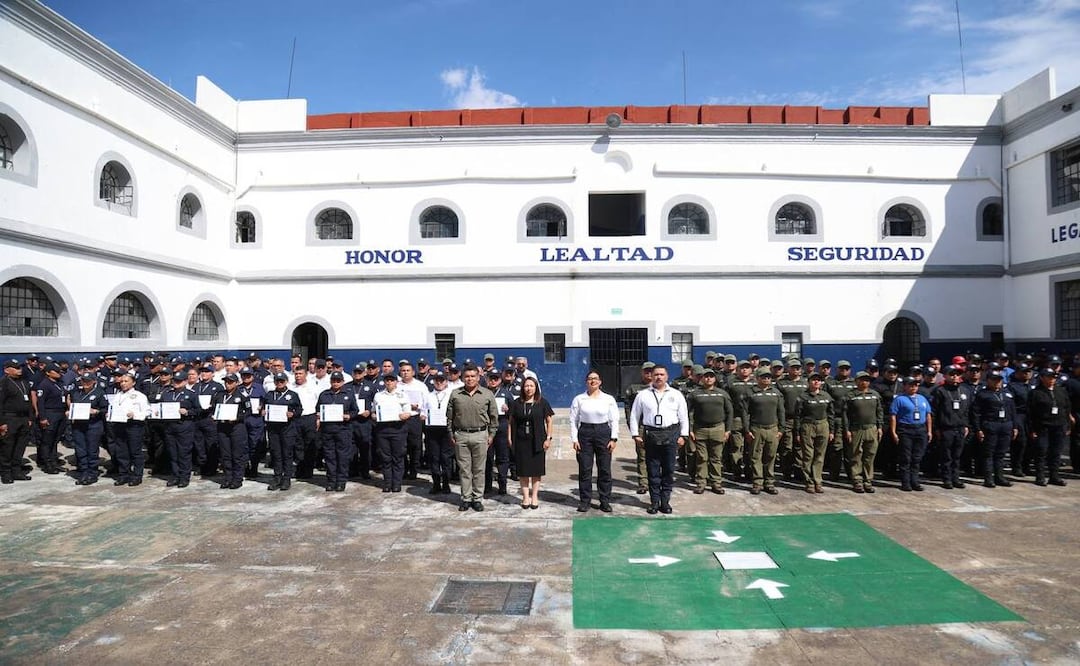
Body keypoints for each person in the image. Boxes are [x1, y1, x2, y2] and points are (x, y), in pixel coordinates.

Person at [629, 365, 689, 514]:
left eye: (662, 374)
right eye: (656, 374)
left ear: (666, 376)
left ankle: (665, 501)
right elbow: (634, 415)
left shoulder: (676, 394)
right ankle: (654, 502)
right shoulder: (643, 395)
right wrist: (636, 434)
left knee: (668, 470)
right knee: (653, 470)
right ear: (651, 376)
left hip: (671, 434)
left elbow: (683, 417)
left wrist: (684, 435)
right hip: (651, 435)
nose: (659, 377)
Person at [446, 366, 499, 512]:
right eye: (467, 376)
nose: (470, 379)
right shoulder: (455, 394)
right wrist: (451, 433)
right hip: (461, 435)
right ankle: (466, 498)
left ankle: (477, 499)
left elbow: (494, 417)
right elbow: (449, 417)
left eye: (473, 376)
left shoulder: (487, 394)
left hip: (480, 435)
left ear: (478, 377)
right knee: (464, 469)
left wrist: (491, 435)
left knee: (479, 469)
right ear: (463, 378)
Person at [567, 371, 616, 512]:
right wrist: (574, 439)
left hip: (603, 433)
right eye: (590, 379)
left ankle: (605, 501)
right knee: (585, 469)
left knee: (605, 469)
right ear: (586, 382)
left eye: (595, 379)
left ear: (600, 382)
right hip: (585, 434)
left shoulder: (608, 399)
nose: (592, 381)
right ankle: (585, 501)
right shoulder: (579, 399)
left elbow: (614, 420)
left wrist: (613, 438)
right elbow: (573, 420)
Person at [686, 367, 734, 495]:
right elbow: (688, 413)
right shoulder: (695, 394)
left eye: (711, 376)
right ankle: (701, 483)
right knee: (701, 457)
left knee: (716, 458)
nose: (708, 378)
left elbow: (730, 412)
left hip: (718, 428)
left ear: (715, 378)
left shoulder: (722, 393)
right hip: (700, 429)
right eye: (706, 376)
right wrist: (689, 429)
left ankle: (716, 483)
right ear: (702, 378)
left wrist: (728, 430)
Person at [512, 376, 557, 510]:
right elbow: (511, 422)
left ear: (536, 387)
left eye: (531, 386)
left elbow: (549, 421)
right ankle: (525, 497)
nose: (529, 388)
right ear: (522, 388)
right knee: (523, 471)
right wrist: (510, 438)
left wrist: (548, 438)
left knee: (536, 471)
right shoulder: (516, 403)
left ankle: (535, 496)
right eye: (526, 386)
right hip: (521, 441)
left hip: (537, 440)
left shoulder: (542, 402)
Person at [739, 367, 785, 495]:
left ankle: (769, 483)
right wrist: (747, 430)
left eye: (768, 377)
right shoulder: (750, 392)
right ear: (757, 378)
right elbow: (744, 413)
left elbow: (781, 411)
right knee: (755, 457)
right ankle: (757, 483)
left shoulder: (776, 392)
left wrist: (781, 429)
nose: (766, 379)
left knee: (770, 456)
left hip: (772, 429)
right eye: (763, 377)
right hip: (756, 428)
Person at [1027, 367, 1073, 486]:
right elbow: (1030, 412)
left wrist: (1067, 424)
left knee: (1056, 452)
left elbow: (1067, 408)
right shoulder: (1036, 393)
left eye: (1053, 377)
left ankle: (1054, 476)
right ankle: (1040, 476)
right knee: (1042, 451)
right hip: (1043, 427)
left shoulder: (1061, 391)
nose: (1052, 379)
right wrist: (1032, 429)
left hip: (1059, 426)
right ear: (1042, 378)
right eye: (1049, 377)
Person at [972, 371, 1017, 488]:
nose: (997, 382)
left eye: (999, 380)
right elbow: (976, 413)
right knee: (989, 453)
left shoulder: (1007, 393)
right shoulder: (983, 394)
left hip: (1005, 425)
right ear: (988, 380)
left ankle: (999, 477)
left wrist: (1015, 426)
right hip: (990, 425)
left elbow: (1013, 411)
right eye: (994, 379)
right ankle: (988, 478)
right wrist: (978, 429)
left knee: (1001, 453)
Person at [931, 365, 973, 489]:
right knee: (946, 456)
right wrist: (936, 428)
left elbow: (967, 411)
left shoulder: (965, 390)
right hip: (946, 428)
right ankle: (947, 479)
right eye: (952, 374)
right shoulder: (940, 391)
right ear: (945, 376)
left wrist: (966, 425)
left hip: (960, 428)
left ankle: (956, 478)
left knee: (957, 455)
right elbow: (935, 412)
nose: (955, 376)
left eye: (958, 374)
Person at [315, 370, 358, 492]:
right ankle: (331, 480)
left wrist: (349, 416)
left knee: (342, 456)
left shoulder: (348, 394)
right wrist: (319, 415)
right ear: (330, 381)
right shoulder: (324, 394)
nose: (336, 383)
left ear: (343, 382)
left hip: (343, 429)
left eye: (338, 381)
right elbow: (318, 409)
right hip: (327, 430)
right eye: (333, 381)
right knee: (329, 456)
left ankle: (341, 481)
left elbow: (355, 410)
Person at [841, 371, 884, 493]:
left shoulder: (875, 395)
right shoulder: (850, 396)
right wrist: (847, 430)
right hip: (856, 429)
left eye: (867, 379)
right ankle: (857, 481)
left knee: (870, 455)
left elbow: (879, 411)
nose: (865, 382)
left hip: (872, 428)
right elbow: (845, 414)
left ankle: (868, 481)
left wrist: (879, 427)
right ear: (856, 381)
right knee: (856, 455)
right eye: (862, 379)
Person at [795, 371, 837, 493]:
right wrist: (797, 432)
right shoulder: (802, 397)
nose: (816, 382)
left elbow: (831, 414)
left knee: (819, 456)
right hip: (808, 426)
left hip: (823, 425)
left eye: (818, 380)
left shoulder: (826, 396)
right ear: (808, 382)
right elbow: (798, 416)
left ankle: (818, 481)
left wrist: (831, 431)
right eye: (813, 380)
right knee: (808, 455)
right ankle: (809, 482)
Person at [890, 376, 933, 492]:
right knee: (906, 457)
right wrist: (894, 432)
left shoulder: (922, 398)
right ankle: (905, 482)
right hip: (906, 430)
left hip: (921, 429)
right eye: (910, 385)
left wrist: (929, 431)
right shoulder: (899, 399)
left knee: (917, 457)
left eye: (915, 385)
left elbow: (928, 415)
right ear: (905, 386)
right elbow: (893, 416)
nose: (913, 387)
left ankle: (915, 481)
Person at [371, 373, 412, 492]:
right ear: (384, 382)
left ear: (396, 382)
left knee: (398, 457)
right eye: (387, 380)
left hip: (398, 428)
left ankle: (397, 483)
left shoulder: (402, 395)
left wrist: (404, 415)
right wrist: (375, 416)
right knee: (385, 457)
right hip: (383, 429)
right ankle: (387, 482)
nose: (389, 382)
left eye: (392, 380)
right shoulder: (378, 395)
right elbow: (373, 411)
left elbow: (408, 412)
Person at [68, 371, 108, 485]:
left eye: (88, 381)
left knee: (92, 450)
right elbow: (71, 404)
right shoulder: (76, 393)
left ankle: (92, 473)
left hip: (93, 425)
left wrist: (96, 411)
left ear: (94, 382)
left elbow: (105, 409)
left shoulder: (100, 393)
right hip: (78, 425)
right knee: (80, 449)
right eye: (83, 381)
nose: (85, 383)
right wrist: (69, 412)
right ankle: (84, 471)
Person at [110, 372, 150, 486]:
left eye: (126, 381)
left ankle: (137, 476)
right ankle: (124, 474)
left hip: (134, 426)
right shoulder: (117, 395)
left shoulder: (140, 396)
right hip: (119, 425)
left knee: (135, 452)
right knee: (121, 451)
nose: (123, 383)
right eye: (121, 381)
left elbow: (147, 411)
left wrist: (135, 414)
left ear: (133, 383)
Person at [263, 372, 301, 490]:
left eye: (282, 381)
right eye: (277, 381)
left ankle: (286, 478)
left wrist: (292, 414)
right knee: (276, 453)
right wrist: (263, 411)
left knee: (287, 454)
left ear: (286, 381)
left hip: (287, 428)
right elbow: (263, 406)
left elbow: (299, 409)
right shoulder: (270, 394)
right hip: (273, 429)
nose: (279, 383)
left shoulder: (292, 395)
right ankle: (277, 477)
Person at [212, 374, 249, 489]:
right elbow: (213, 407)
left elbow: (248, 411)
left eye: (230, 382)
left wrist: (237, 418)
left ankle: (237, 479)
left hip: (237, 427)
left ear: (237, 383)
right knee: (225, 454)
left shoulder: (242, 395)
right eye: (226, 382)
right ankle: (228, 477)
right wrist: (214, 415)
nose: (228, 384)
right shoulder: (219, 394)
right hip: (222, 427)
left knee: (237, 454)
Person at [32, 363, 68, 474]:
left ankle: (54, 462)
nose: (58, 373)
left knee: (55, 440)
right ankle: (47, 464)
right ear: (48, 373)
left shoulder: (59, 383)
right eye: (56, 371)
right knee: (47, 441)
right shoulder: (44, 385)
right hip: (50, 413)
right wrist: (42, 417)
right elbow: (40, 402)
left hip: (60, 413)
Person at [624, 362, 654, 494]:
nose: (648, 373)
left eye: (651, 371)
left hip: (657, 428)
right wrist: (633, 427)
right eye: (646, 371)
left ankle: (655, 481)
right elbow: (628, 409)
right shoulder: (634, 388)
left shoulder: (661, 388)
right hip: (641, 426)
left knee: (656, 456)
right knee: (642, 455)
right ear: (642, 372)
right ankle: (643, 483)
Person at [423, 371, 454, 494]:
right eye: (437, 380)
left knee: (446, 458)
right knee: (434, 457)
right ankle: (436, 483)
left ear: (446, 382)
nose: (439, 383)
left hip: (446, 430)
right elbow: (423, 411)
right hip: (432, 430)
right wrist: (423, 416)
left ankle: (446, 483)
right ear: (433, 382)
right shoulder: (428, 396)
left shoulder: (451, 395)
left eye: (442, 380)